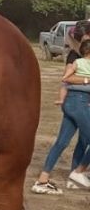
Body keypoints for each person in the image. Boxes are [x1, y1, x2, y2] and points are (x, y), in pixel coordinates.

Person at [33, 20, 90, 194]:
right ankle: (79, 172)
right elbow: (67, 79)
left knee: (68, 141)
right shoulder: (75, 56)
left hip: (80, 102)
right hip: (78, 102)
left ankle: (43, 180)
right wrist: (87, 81)